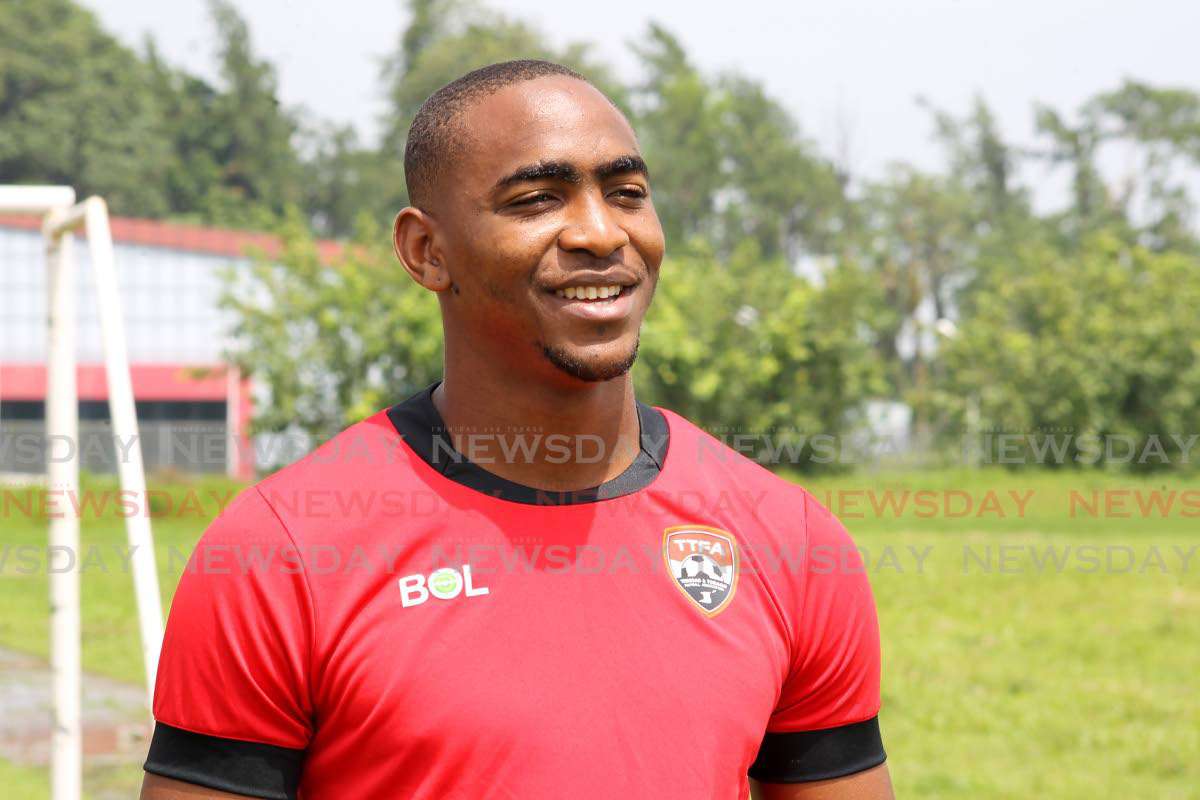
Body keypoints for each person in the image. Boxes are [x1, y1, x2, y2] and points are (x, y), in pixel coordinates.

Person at [140, 59, 893, 800]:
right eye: (537, 200)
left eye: (627, 194)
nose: (600, 232)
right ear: (426, 252)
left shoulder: (788, 540)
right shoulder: (282, 552)